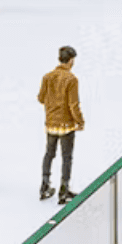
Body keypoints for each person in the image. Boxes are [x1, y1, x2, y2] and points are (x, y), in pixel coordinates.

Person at [38, 46, 84, 204]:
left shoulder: (47, 77)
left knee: (49, 154)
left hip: (51, 122)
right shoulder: (71, 79)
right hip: (66, 125)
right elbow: (73, 104)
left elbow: (41, 98)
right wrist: (80, 121)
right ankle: (63, 191)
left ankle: (44, 186)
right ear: (71, 60)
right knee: (66, 157)